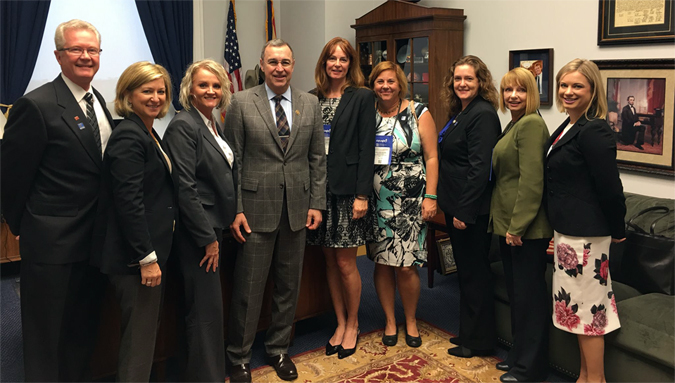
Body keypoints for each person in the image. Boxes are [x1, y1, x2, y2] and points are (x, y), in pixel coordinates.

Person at [1, 19, 113, 382]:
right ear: (58, 55)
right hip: (52, 247)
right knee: (45, 338)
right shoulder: (35, 106)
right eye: (76, 50)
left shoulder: (100, 103)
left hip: (93, 244)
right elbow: (12, 179)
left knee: (81, 331)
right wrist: (25, 229)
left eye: (92, 50)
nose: (85, 57)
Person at [225, 39, 326, 383]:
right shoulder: (240, 102)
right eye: (273, 62)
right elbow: (233, 162)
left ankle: (278, 349)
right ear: (262, 65)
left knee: (288, 285)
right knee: (249, 288)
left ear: (293, 65)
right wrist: (236, 208)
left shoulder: (309, 103)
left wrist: (316, 202)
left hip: (297, 209)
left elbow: (316, 159)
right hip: (254, 210)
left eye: (285, 62)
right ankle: (238, 357)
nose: (279, 68)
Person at [92, 61, 177, 382]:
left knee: (144, 333)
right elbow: (129, 203)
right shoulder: (129, 135)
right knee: (139, 341)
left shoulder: (147, 131)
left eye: (160, 91)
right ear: (128, 94)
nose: (156, 97)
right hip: (135, 260)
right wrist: (147, 257)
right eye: (147, 91)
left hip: (147, 253)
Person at [546, 58, 626, 383]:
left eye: (577, 85)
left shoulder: (594, 129)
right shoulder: (567, 125)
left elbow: (610, 187)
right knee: (578, 312)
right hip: (569, 235)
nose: (568, 91)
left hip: (587, 239)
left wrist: (617, 229)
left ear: (593, 90)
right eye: (563, 85)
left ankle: (597, 379)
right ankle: (583, 377)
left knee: (590, 314)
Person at [163, 59, 237, 381]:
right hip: (198, 236)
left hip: (215, 228)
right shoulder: (184, 124)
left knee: (208, 308)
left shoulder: (209, 123)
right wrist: (207, 238)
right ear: (189, 90)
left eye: (216, 85)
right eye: (203, 85)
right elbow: (185, 188)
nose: (211, 90)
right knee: (205, 312)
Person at [307, 37, 376, 359]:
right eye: (331, 58)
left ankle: (353, 323)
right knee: (329, 262)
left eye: (343, 59)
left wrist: (362, 195)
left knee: (347, 262)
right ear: (323, 62)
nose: (337, 63)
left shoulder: (362, 97)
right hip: (318, 194)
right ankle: (339, 321)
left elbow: (366, 149)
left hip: (349, 193)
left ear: (351, 64)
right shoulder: (310, 99)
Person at [367, 61, 438, 349]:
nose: (385, 86)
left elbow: (432, 157)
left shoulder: (418, 112)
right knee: (383, 262)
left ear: (400, 84)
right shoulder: (368, 114)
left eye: (391, 81)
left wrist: (431, 197)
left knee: (407, 265)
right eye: (380, 81)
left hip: (411, 202)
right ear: (373, 85)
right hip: (377, 199)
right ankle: (389, 320)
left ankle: (410, 319)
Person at [490, 67, 552, 383]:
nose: (513, 96)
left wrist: (518, 226)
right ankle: (518, 357)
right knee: (518, 296)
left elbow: (532, 181)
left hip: (525, 229)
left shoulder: (530, 125)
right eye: (508, 90)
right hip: (507, 224)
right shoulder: (514, 123)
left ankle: (531, 367)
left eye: (521, 90)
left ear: (531, 93)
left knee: (529, 298)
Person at [437, 55, 500, 358]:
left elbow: (480, 169)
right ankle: (468, 334)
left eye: (469, 79)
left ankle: (480, 341)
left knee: (475, 274)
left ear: (480, 82)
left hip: (471, 210)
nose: (462, 84)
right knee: (466, 274)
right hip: (456, 204)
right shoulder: (462, 112)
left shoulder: (484, 114)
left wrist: (464, 211)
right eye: (458, 79)